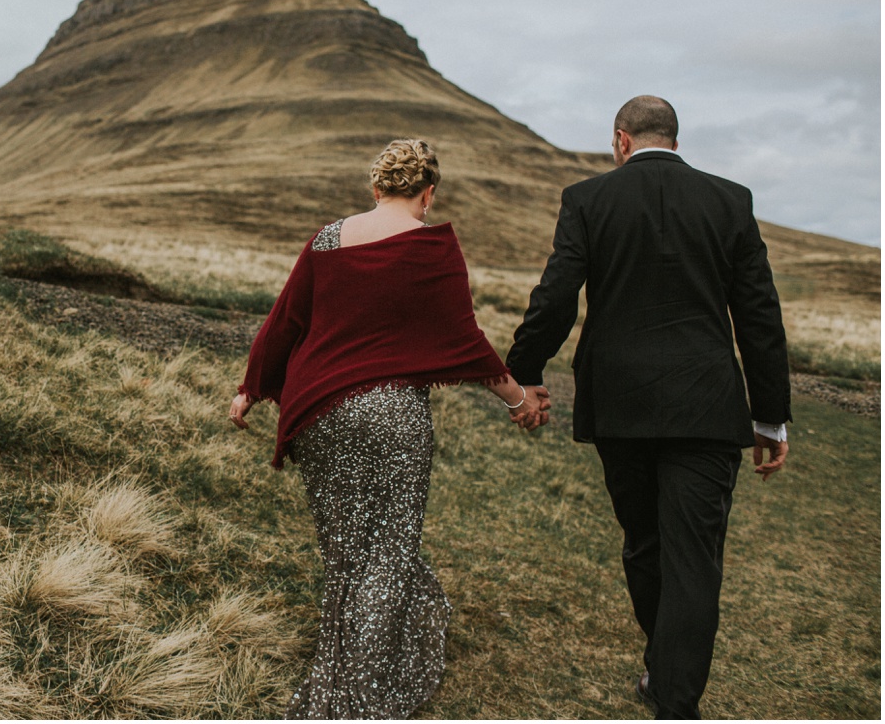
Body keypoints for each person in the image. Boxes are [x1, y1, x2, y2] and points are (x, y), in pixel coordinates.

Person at [228, 138, 550, 719]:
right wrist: (518, 399)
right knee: (387, 554)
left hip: (319, 412)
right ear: (428, 194)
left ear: (376, 189)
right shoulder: (433, 246)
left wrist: (250, 388)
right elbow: (464, 339)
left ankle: (341, 684)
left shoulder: (328, 239)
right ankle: (358, 702)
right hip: (391, 417)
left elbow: (286, 320)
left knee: (347, 554)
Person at [504, 96, 791, 719]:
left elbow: (556, 296)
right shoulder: (730, 201)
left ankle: (667, 684)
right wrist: (769, 416)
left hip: (621, 402)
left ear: (621, 141)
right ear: (675, 142)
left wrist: (522, 373)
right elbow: (759, 315)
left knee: (643, 542)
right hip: (709, 406)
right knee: (695, 557)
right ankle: (673, 692)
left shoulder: (588, 199)